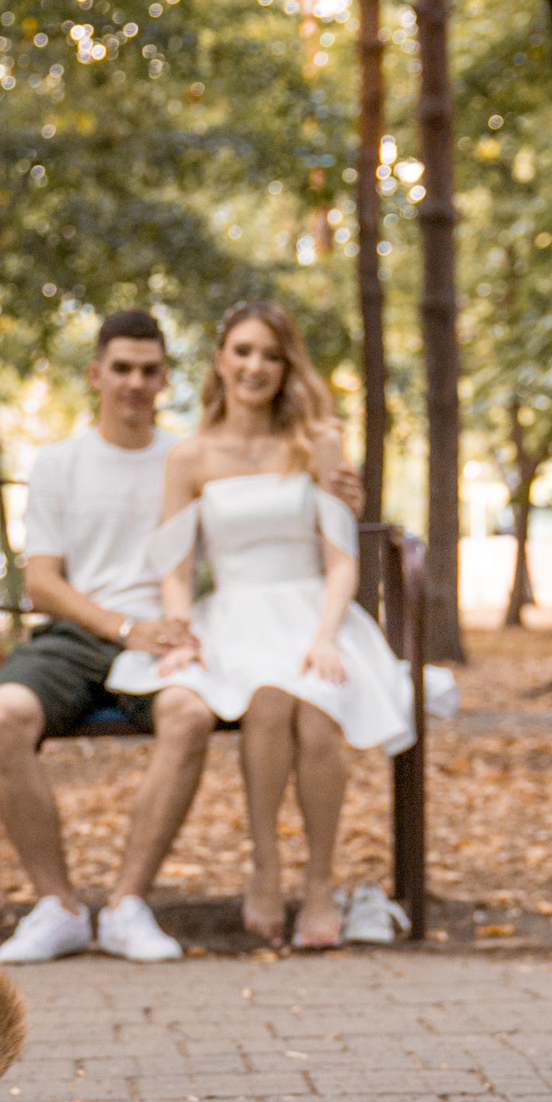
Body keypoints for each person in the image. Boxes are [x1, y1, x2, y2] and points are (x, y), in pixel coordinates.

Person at [0, 308, 360, 964]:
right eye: (121, 369)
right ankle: (57, 907)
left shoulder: (193, 452)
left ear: (166, 379)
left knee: (187, 714)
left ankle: (128, 904)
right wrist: (126, 629)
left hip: (175, 636)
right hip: (78, 635)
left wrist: (341, 495)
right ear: (96, 374)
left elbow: (272, 522)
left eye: (149, 370)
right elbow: (42, 584)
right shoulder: (59, 463)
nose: (134, 382)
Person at [108, 301, 415, 949]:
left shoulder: (318, 443)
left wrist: (328, 635)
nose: (256, 367)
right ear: (221, 360)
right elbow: (176, 565)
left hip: (314, 609)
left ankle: (320, 882)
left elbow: (340, 558)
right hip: (238, 618)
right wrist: (182, 627)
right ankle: (266, 869)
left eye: (271, 355)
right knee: (269, 700)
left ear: (287, 366)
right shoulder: (189, 458)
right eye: (243, 351)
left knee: (317, 706)